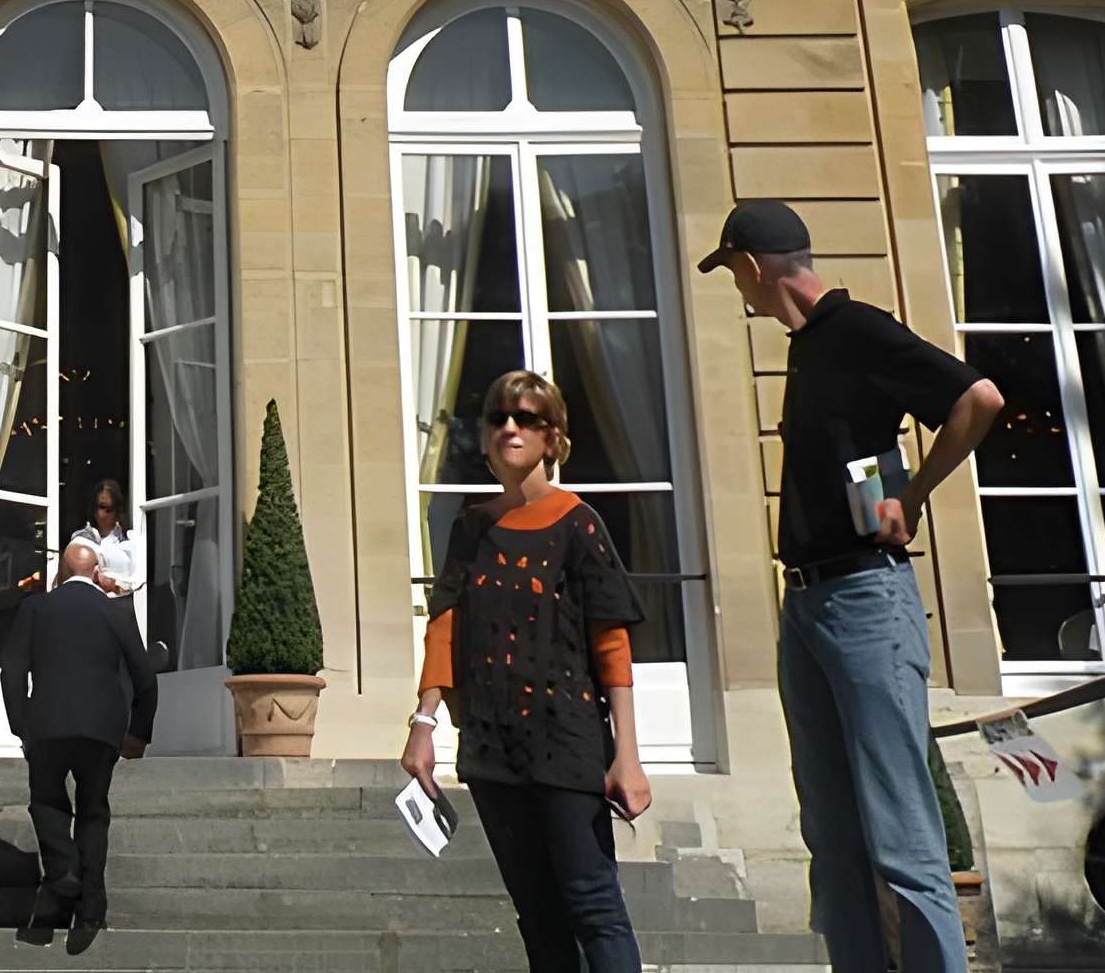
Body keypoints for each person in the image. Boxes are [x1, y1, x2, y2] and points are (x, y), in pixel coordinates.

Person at [703, 200, 1004, 973]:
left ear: (753, 266)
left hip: (866, 599)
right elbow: (861, 458)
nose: (736, 287)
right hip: (807, 601)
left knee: (901, 833)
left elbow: (979, 397)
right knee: (832, 839)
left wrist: (917, 494)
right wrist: (885, 486)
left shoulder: (857, 328)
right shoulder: (807, 348)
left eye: (733, 271)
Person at [398, 369, 649, 973]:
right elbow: (444, 629)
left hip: (567, 742)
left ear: (553, 437)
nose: (510, 427)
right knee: (536, 912)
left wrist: (629, 756)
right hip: (492, 747)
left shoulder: (579, 524)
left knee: (593, 904)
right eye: (499, 417)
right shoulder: (470, 529)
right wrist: (424, 724)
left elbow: (611, 644)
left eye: (528, 418)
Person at [0, 537, 158, 937]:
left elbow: (12, 672)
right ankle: (92, 906)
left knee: (47, 801)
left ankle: (63, 869)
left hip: (47, 724)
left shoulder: (36, 607)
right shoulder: (117, 613)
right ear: (96, 573)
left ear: (61, 572)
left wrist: (21, 725)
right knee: (93, 811)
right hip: (102, 728)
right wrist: (138, 733)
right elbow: (145, 678)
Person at [68, 477, 140, 598]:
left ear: (117, 509)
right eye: (97, 507)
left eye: (106, 508)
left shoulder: (130, 540)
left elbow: (139, 580)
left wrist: (115, 584)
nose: (100, 513)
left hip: (120, 604)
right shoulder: (80, 538)